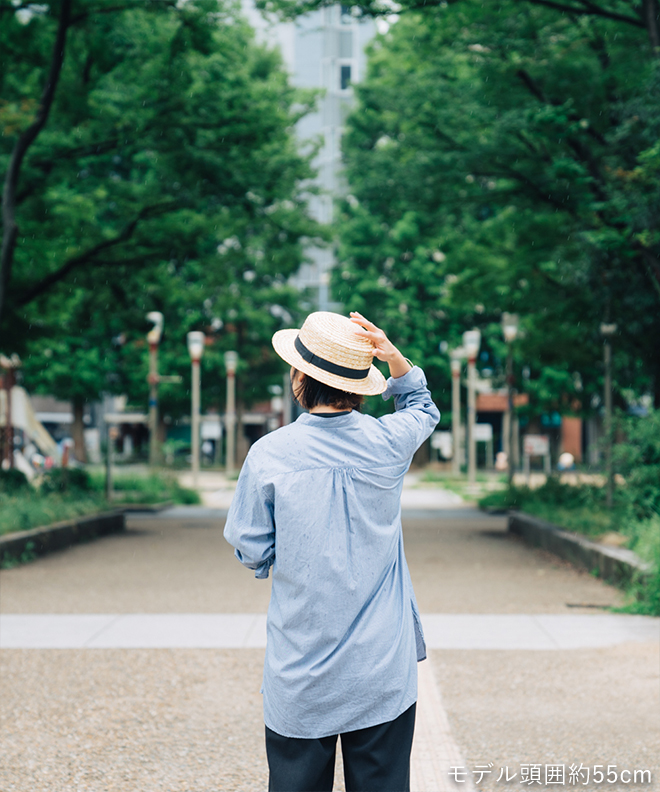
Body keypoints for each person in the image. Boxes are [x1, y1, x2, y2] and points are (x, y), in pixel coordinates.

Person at [224, 310, 440, 792]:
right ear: (361, 383)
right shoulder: (388, 442)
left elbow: (252, 550)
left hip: (300, 668)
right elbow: (422, 407)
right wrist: (395, 358)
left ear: (301, 378)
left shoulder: (269, 454)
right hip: (382, 667)